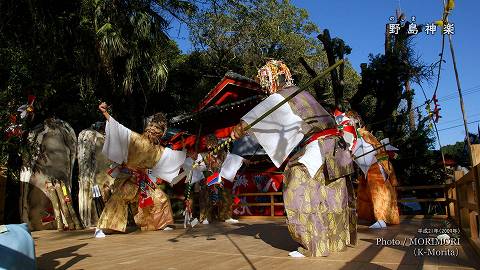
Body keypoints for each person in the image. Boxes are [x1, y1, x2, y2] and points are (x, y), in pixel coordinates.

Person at [230, 60, 355, 257]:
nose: (265, 89)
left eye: (265, 82)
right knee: (330, 195)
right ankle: (333, 242)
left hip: (320, 147)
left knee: (297, 188)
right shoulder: (302, 95)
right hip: (337, 147)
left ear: (273, 80)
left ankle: (312, 245)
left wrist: (238, 130)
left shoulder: (284, 95)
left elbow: (256, 117)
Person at [95, 102, 186, 237]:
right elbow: (119, 129)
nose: (154, 131)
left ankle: (158, 224)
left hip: (143, 182)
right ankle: (102, 228)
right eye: (153, 127)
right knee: (118, 199)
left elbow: (170, 157)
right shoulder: (136, 139)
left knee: (160, 198)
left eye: (158, 129)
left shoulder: (158, 150)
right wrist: (105, 113)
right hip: (128, 178)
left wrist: (186, 155)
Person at [345, 112, 400, 228]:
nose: (348, 122)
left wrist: (386, 168)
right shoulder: (351, 136)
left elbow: (380, 150)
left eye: (350, 120)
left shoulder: (365, 134)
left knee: (377, 193)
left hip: (375, 167)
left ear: (356, 121)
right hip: (366, 170)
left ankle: (381, 220)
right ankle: (372, 217)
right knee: (365, 194)